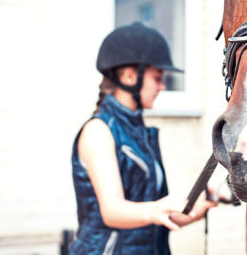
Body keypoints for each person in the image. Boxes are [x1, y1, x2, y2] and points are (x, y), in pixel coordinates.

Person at [70, 22, 216, 254]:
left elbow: (154, 218)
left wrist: (193, 212)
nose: (162, 86)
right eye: (157, 77)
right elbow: (112, 211)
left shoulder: (141, 136)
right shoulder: (98, 131)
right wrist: (156, 209)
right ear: (129, 76)